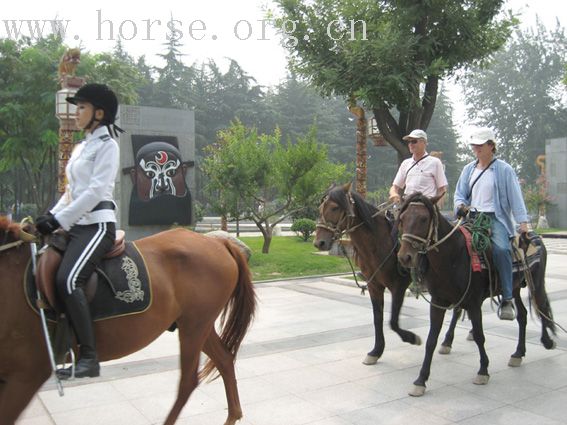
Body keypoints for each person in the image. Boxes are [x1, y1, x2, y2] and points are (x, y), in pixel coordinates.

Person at [35, 83, 122, 378]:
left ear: (99, 113)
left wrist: (60, 221)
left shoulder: (108, 146)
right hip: (76, 225)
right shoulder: (82, 146)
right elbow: (72, 192)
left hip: (97, 225)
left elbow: (95, 192)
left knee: (69, 280)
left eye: (81, 108)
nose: (76, 113)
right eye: (77, 107)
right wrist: (50, 215)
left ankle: (89, 357)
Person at [454, 127, 529, 321]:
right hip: (472, 217)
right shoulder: (468, 169)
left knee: (501, 250)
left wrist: (523, 222)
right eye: (474, 145)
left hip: (494, 218)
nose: (476, 148)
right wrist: (460, 206)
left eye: (480, 144)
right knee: (451, 244)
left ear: (491, 146)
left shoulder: (504, 169)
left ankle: (507, 298)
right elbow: (459, 194)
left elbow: (515, 197)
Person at [389, 129, 448, 204]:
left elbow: (442, 189)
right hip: (408, 205)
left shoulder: (435, 162)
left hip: (427, 205)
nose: (410, 144)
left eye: (414, 141)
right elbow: (394, 187)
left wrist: (435, 207)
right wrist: (394, 194)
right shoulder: (405, 163)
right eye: (409, 142)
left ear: (424, 142)